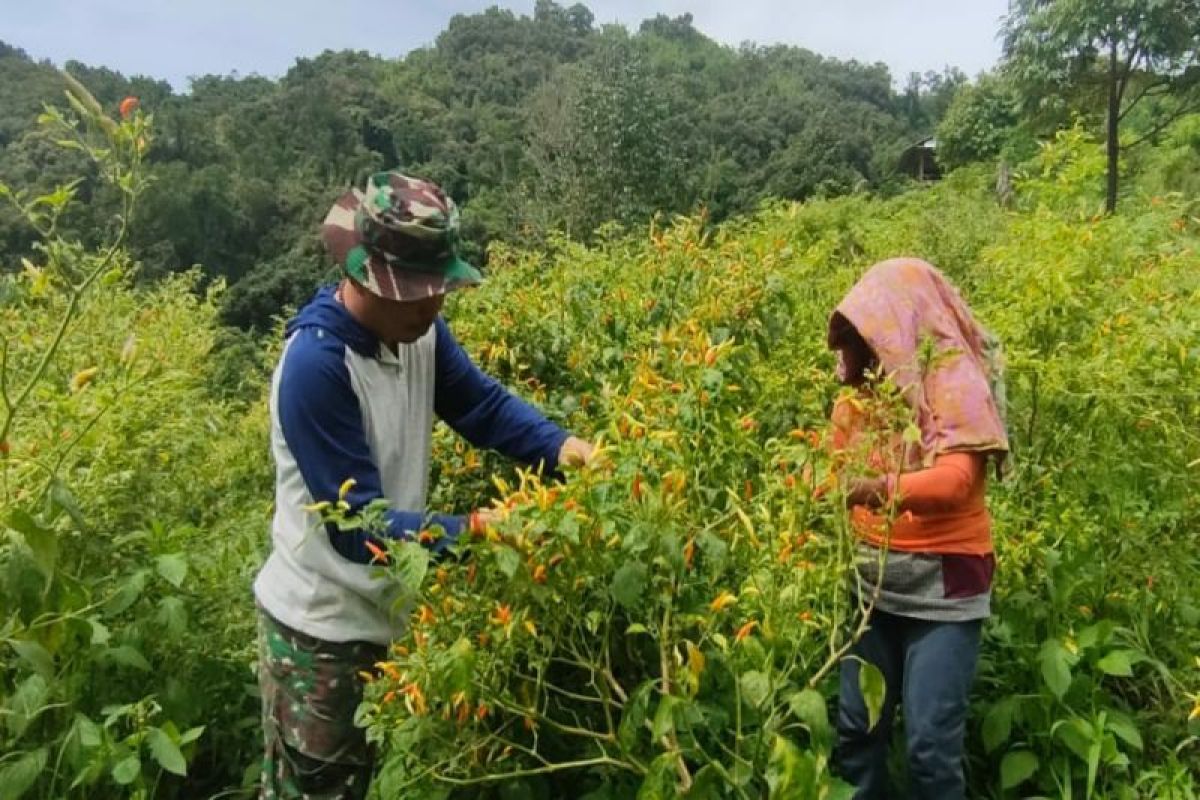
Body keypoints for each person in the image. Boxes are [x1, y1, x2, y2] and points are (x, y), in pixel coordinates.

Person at [252, 171, 593, 799]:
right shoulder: (317, 367)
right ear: (365, 278)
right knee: (320, 788)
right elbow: (359, 529)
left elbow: (481, 407)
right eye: (415, 292)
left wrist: (561, 448)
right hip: (320, 637)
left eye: (438, 289)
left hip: (389, 621)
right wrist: (477, 534)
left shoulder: (418, 332)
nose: (434, 305)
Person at [827, 258, 1008, 799]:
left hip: (944, 588)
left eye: (871, 334)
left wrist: (870, 488)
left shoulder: (952, 381)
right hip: (871, 589)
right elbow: (832, 473)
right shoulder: (857, 393)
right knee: (857, 735)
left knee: (929, 749)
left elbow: (953, 483)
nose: (859, 349)